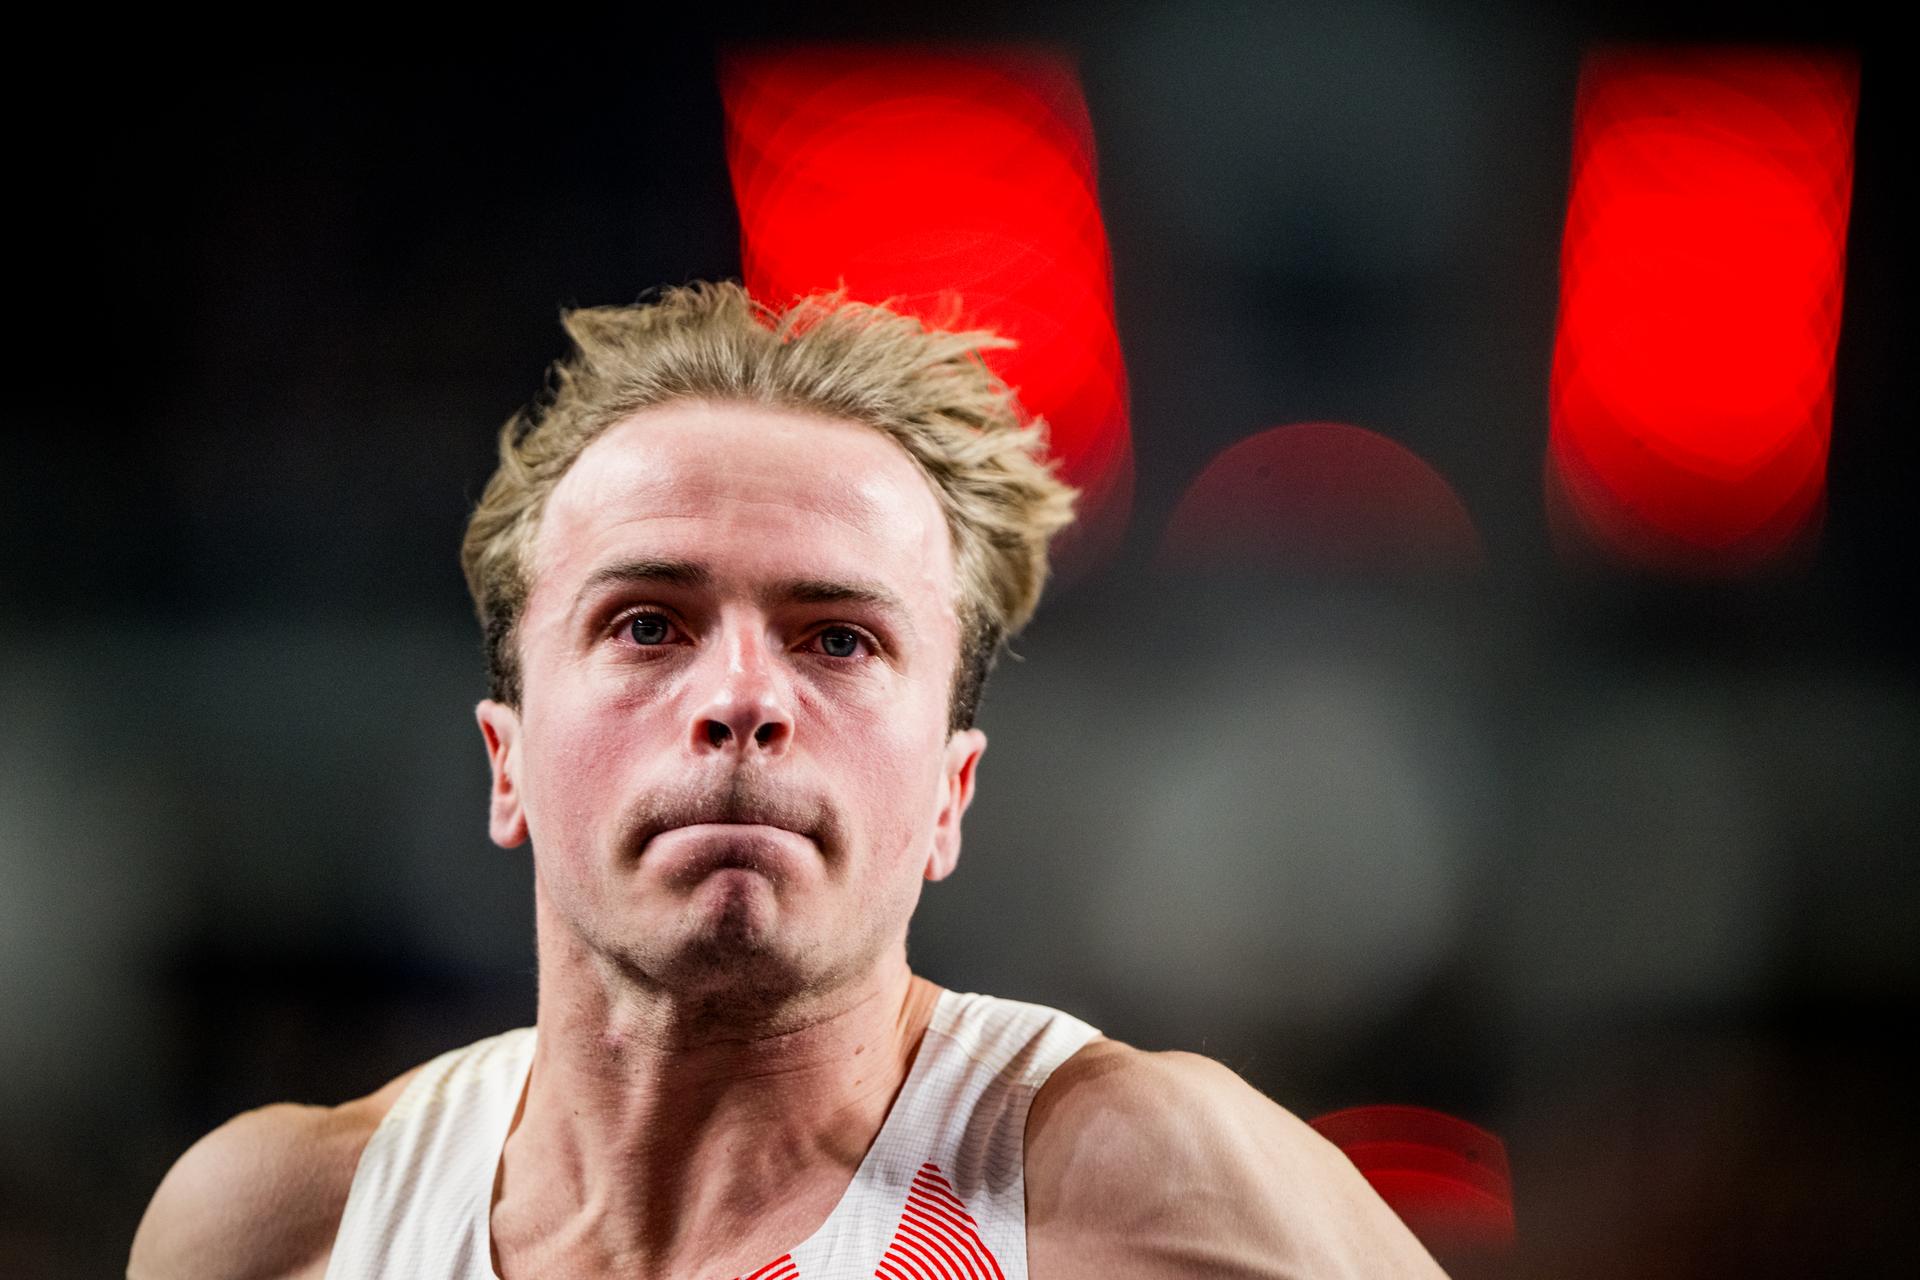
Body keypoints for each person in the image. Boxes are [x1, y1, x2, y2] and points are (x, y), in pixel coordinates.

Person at [129, 283, 1446, 1279]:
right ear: (507, 758)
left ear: (950, 794)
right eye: (647, 623)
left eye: (838, 639)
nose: (745, 699)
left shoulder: (1143, 1190)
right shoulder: (285, 1230)